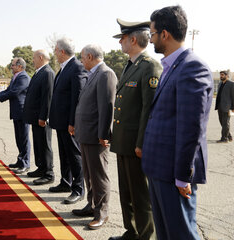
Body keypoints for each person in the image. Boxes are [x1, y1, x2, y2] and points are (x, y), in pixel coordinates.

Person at [141, 6, 213, 240]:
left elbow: (191, 127)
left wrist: (183, 176)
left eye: (152, 34)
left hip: (174, 172)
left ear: (165, 34)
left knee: (181, 234)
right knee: (166, 234)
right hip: (160, 167)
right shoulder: (171, 66)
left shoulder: (192, 67)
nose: (150, 40)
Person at [109, 19, 162, 240]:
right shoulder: (132, 65)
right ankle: (131, 231)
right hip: (123, 141)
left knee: (141, 195)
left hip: (135, 144)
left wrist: (141, 143)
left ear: (133, 39)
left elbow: (148, 110)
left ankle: (145, 235)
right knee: (127, 193)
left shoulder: (149, 66)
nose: (120, 42)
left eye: (122, 38)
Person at [72, 44, 116, 230]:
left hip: (96, 136)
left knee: (98, 175)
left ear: (90, 56)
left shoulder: (106, 74)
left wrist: (104, 134)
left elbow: (107, 106)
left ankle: (101, 213)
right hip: (86, 133)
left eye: (82, 57)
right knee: (89, 175)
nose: (81, 61)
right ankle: (92, 205)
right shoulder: (94, 74)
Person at [48, 37, 87, 204]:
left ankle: (78, 188)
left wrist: (73, 122)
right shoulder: (64, 68)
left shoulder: (77, 67)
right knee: (64, 153)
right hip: (60, 121)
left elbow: (77, 98)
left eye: (56, 50)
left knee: (74, 154)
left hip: (69, 122)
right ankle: (66, 182)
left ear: (62, 51)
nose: (55, 53)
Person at [0, 57, 31, 174]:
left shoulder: (24, 77)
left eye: (13, 65)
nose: (11, 67)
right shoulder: (16, 77)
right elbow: (8, 90)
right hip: (16, 112)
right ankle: (20, 161)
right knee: (19, 138)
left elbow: (14, 92)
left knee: (24, 139)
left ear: (20, 66)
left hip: (22, 112)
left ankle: (25, 163)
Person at [23, 50, 55, 185]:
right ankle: (41, 168)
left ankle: (48, 173)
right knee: (38, 143)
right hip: (36, 117)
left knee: (45, 144)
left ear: (41, 57)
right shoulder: (39, 72)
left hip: (42, 118)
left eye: (34, 58)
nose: (32, 60)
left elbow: (47, 98)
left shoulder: (48, 73)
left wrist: (44, 117)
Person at [215, 70, 234, 143]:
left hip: (227, 107)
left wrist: (233, 107)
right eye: (220, 75)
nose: (221, 76)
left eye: (222, 75)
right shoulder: (220, 84)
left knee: (226, 123)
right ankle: (229, 136)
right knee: (222, 122)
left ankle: (224, 138)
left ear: (227, 76)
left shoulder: (231, 84)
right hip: (220, 106)